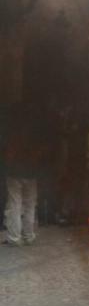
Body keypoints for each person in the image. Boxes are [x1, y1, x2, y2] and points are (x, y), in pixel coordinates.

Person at [3, 104, 49, 246]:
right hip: (31, 173)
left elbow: (9, 154)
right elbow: (41, 151)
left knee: (15, 204)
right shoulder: (35, 133)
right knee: (30, 205)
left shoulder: (13, 132)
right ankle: (29, 236)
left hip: (15, 173)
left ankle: (14, 238)